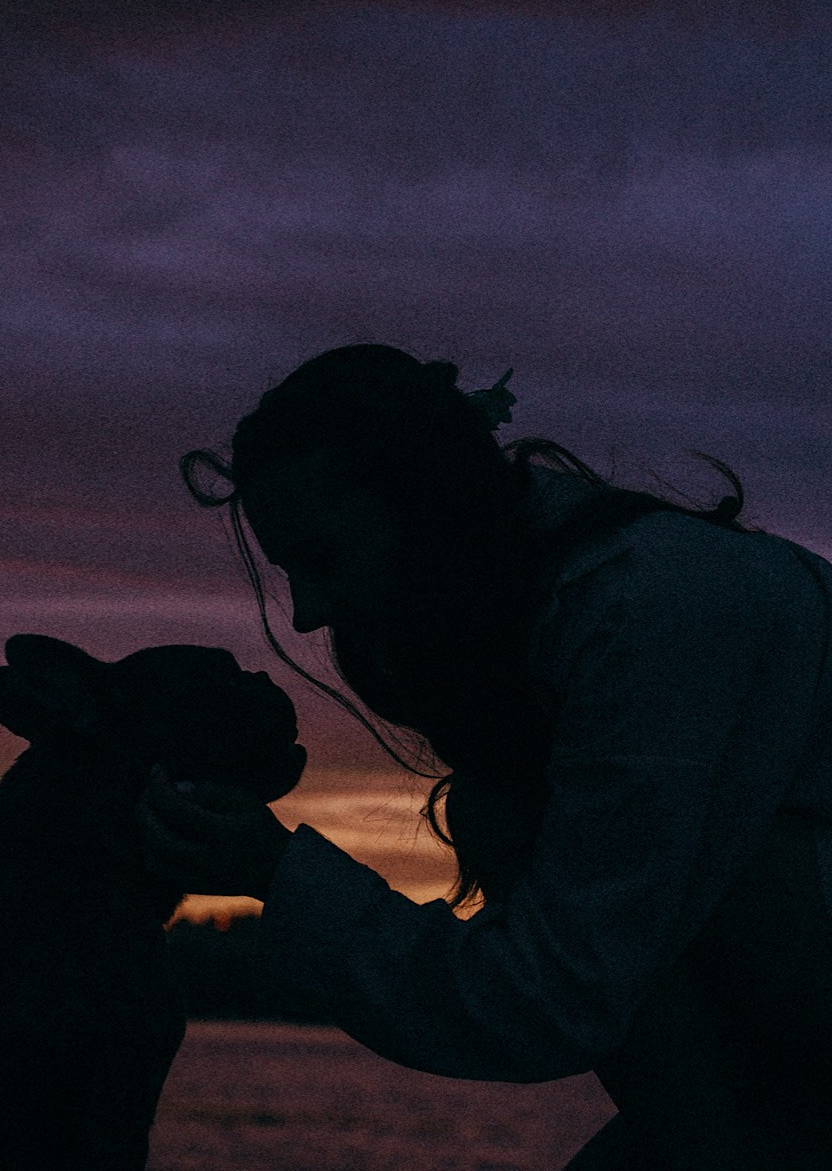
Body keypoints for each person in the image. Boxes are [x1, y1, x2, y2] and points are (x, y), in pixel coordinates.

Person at [61, 344, 832, 1167]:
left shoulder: (647, 614)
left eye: (325, 557)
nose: (307, 615)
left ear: (429, 512)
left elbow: (556, 997)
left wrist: (278, 874)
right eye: (290, 573)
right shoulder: (600, 614)